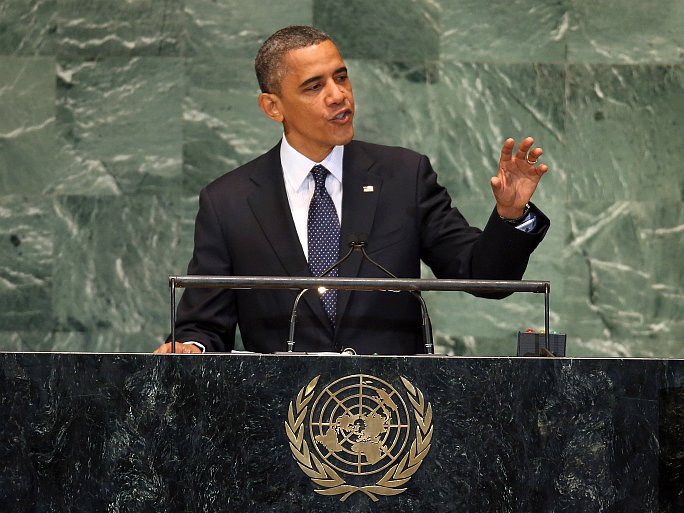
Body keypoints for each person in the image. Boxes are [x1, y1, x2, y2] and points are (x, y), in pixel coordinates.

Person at [154, 25, 549, 355]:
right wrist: (189, 348)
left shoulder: (403, 175)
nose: (338, 95)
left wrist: (510, 215)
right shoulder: (229, 202)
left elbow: (483, 276)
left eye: (340, 77)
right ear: (273, 107)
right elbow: (203, 326)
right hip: (281, 422)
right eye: (314, 86)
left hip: (396, 422)